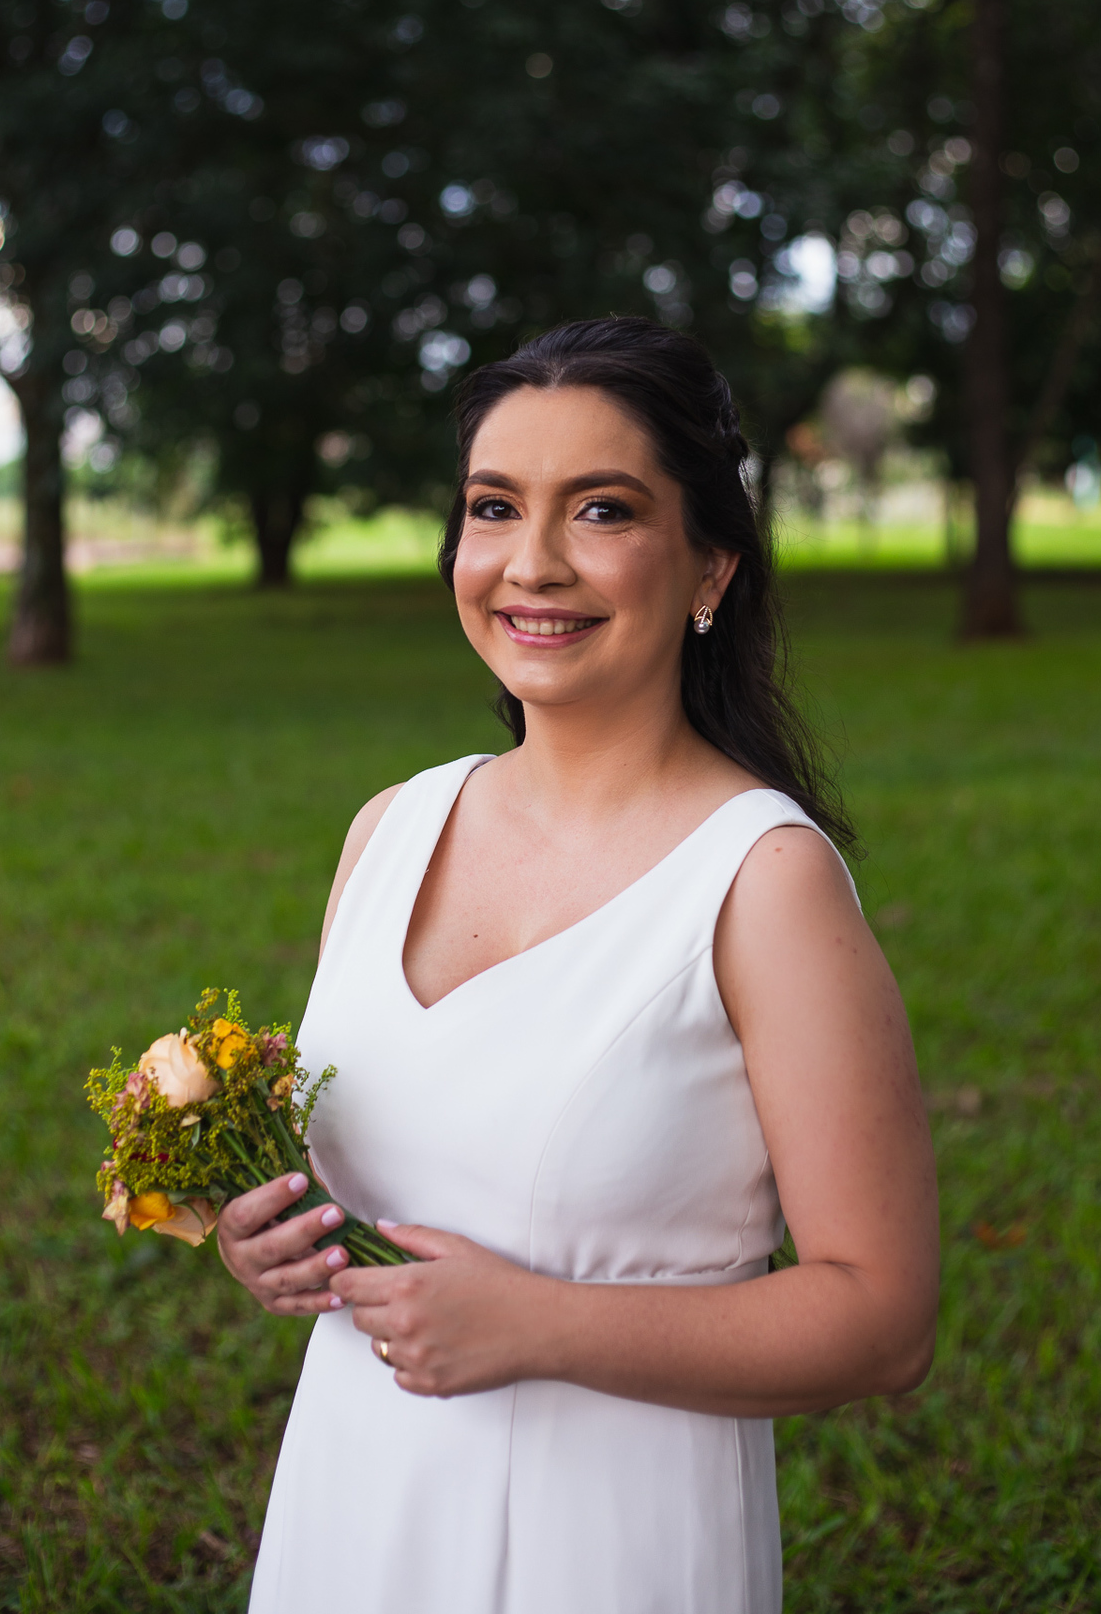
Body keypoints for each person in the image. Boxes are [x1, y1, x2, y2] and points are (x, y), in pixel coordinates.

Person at [220, 316, 939, 1614]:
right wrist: (269, 1239)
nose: (531, 565)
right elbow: (368, 1177)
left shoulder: (760, 881)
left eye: (602, 510)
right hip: (356, 1497)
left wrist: (541, 1324)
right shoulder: (389, 830)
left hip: (608, 1534)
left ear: (711, 565)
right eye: (494, 508)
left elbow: (883, 1320)